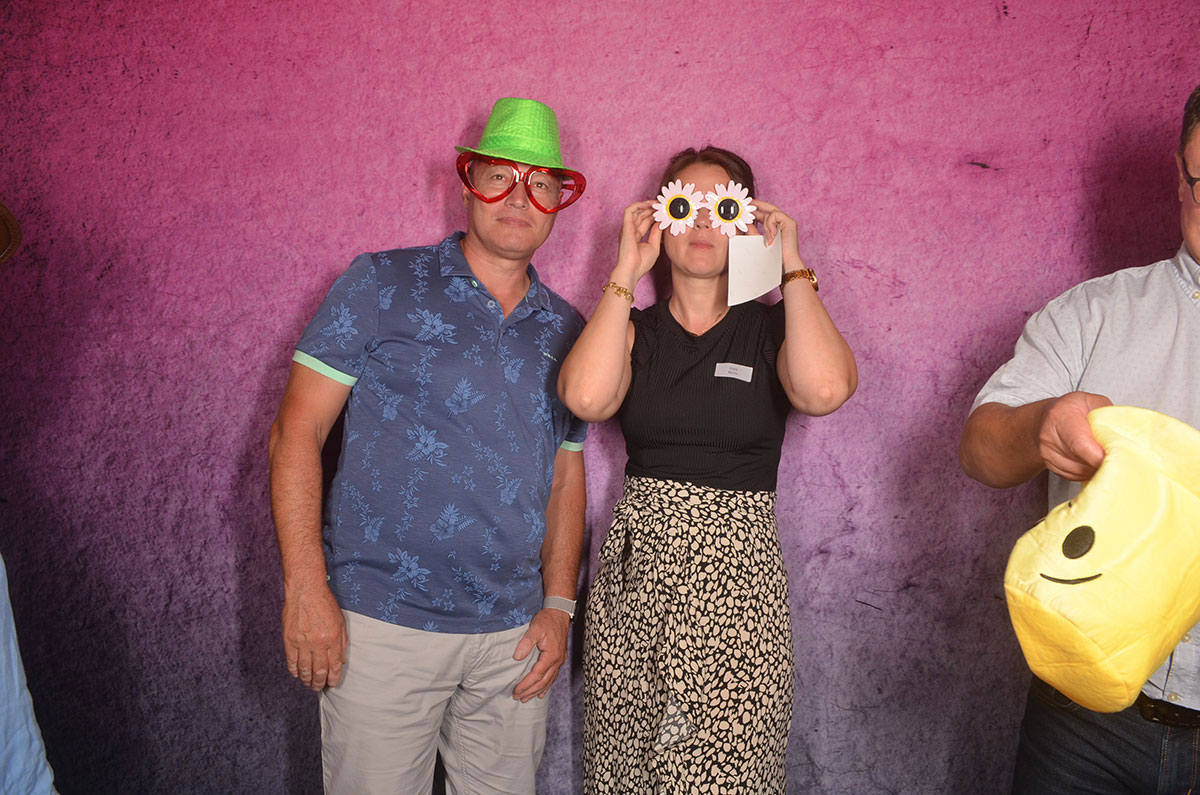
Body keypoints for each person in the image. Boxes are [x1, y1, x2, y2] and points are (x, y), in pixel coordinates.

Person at [268, 97, 588, 794]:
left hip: (513, 639)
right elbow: (297, 432)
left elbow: (566, 476)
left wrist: (559, 606)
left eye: (540, 183)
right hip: (383, 623)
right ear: (467, 183)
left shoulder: (569, 329)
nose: (519, 198)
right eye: (500, 176)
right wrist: (306, 588)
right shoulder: (381, 283)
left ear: (558, 204)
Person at [559, 146, 857, 792]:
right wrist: (624, 269)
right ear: (658, 218)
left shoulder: (773, 329)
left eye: (721, 208)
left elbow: (825, 389)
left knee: (729, 775)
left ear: (747, 222)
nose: (700, 222)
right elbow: (585, 397)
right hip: (636, 593)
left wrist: (790, 262)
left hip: (738, 601)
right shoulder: (635, 331)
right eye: (683, 205)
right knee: (628, 773)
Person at [958, 83, 1200, 793]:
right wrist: (1041, 426)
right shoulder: (1091, 313)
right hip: (1083, 724)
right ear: (1179, 175)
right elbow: (979, 448)